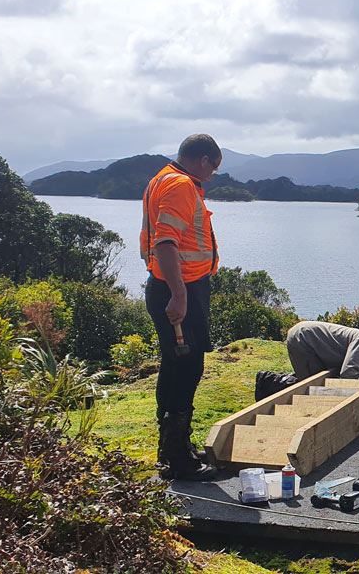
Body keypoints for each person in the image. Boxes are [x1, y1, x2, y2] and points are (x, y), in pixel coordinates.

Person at [140, 133, 222, 481]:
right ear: (203, 160)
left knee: (175, 366)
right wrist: (179, 293)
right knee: (187, 368)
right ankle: (178, 459)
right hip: (180, 288)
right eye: (214, 168)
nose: (212, 175)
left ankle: (173, 448)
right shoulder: (181, 185)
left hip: (174, 286)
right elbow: (165, 241)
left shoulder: (160, 179)